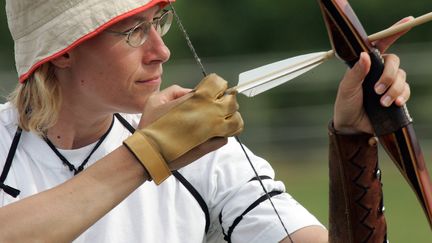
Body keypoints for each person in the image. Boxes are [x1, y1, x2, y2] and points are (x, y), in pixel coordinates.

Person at [0, 0, 410, 242]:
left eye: (158, 22)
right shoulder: (177, 141)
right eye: (133, 32)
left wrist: (352, 139)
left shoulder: (200, 148)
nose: (160, 51)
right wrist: (149, 153)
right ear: (62, 52)